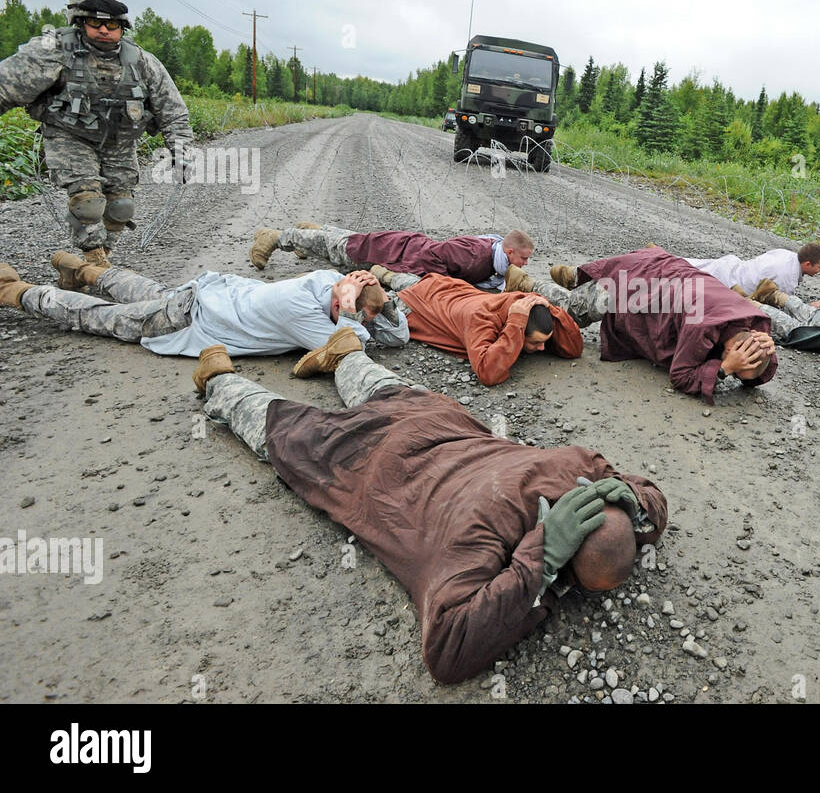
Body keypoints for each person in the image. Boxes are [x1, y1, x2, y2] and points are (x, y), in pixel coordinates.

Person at [191, 331, 668, 684]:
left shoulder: (576, 466)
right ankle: (220, 380)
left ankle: (348, 353)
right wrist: (538, 561)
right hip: (373, 459)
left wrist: (633, 497)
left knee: (386, 389)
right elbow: (445, 652)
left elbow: (650, 499)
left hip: (434, 419)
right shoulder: (477, 541)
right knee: (285, 431)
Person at [0, 0, 193, 265]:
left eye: (112, 25)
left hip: (120, 141)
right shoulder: (53, 52)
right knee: (88, 203)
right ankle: (95, 260)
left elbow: (173, 112)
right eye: (95, 24)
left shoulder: (142, 62)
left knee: (121, 207)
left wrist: (181, 152)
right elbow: (6, 86)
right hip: (70, 135)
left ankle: (92, 264)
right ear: (81, 23)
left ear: (122, 28)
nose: (104, 30)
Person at [0, 253, 407, 363]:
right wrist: (358, 311)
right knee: (104, 319)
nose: (368, 323)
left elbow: (397, 337)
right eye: (360, 313)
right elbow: (354, 345)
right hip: (192, 315)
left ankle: (80, 268)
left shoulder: (325, 279)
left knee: (145, 288)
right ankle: (16, 291)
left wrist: (384, 303)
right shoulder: (303, 312)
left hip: (208, 291)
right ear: (343, 301)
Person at [509, 246, 778, 404]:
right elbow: (681, 376)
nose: (734, 378)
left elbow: (757, 369)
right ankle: (528, 283)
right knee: (569, 315)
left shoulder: (755, 323)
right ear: (731, 352)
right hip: (634, 286)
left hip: (664, 271)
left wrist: (766, 353)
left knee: (585, 296)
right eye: (737, 373)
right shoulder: (702, 326)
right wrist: (723, 370)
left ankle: (577, 279)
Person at [373, 265, 583, 385]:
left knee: (406, 280)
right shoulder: (482, 319)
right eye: (536, 343)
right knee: (379, 293)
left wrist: (551, 308)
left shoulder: (523, 303)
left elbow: (573, 349)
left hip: (447, 289)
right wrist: (514, 326)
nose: (543, 349)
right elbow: (488, 373)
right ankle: (375, 274)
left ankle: (385, 274)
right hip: (416, 303)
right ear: (518, 329)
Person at [251, 224, 533, 291]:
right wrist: (443, 285)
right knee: (343, 251)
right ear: (508, 252)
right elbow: (435, 258)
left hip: (404, 251)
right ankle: (276, 238)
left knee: (348, 242)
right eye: (523, 259)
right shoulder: (476, 255)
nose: (525, 265)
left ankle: (311, 230)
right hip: (399, 254)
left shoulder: (495, 263)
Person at [671, 243, 820, 297]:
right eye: (819, 267)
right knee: (684, 274)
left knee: (693, 265)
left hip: (735, 267)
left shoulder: (786, 254)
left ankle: (663, 258)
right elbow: (785, 304)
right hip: (730, 282)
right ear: (807, 264)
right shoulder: (787, 278)